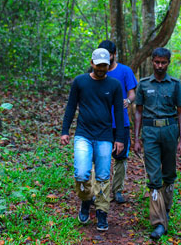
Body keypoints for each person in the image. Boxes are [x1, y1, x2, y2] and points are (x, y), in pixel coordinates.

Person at [61, 48, 124, 231]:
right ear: (92, 63)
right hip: (83, 134)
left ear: (108, 65)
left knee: (103, 176)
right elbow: (71, 107)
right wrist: (65, 131)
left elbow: (119, 112)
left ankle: (102, 212)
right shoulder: (80, 81)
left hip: (105, 136)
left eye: (104, 65)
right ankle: (86, 200)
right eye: (98, 65)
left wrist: (119, 138)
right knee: (81, 173)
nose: (101, 68)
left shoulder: (114, 85)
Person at [133, 47, 181, 239]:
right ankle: (159, 223)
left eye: (163, 62)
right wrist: (136, 138)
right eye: (157, 62)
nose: (160, 66)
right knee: (154, 176)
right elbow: (138, 111)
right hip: (150, 132)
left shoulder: (174, 84)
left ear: (168, 63)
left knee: (169, 174)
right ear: (152, 61)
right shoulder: (144, 84)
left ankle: (166, 210)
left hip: (170, 130)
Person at [98, 40, 138, 203]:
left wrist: (128, 101)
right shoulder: (98, 71)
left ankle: (118, 190)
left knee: (121, 157)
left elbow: (132, 93)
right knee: (100, 157)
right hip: (101, 123)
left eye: (108, 55)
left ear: (114, 55)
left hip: (121, 122)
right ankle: (100, 191)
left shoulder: (125, 71)